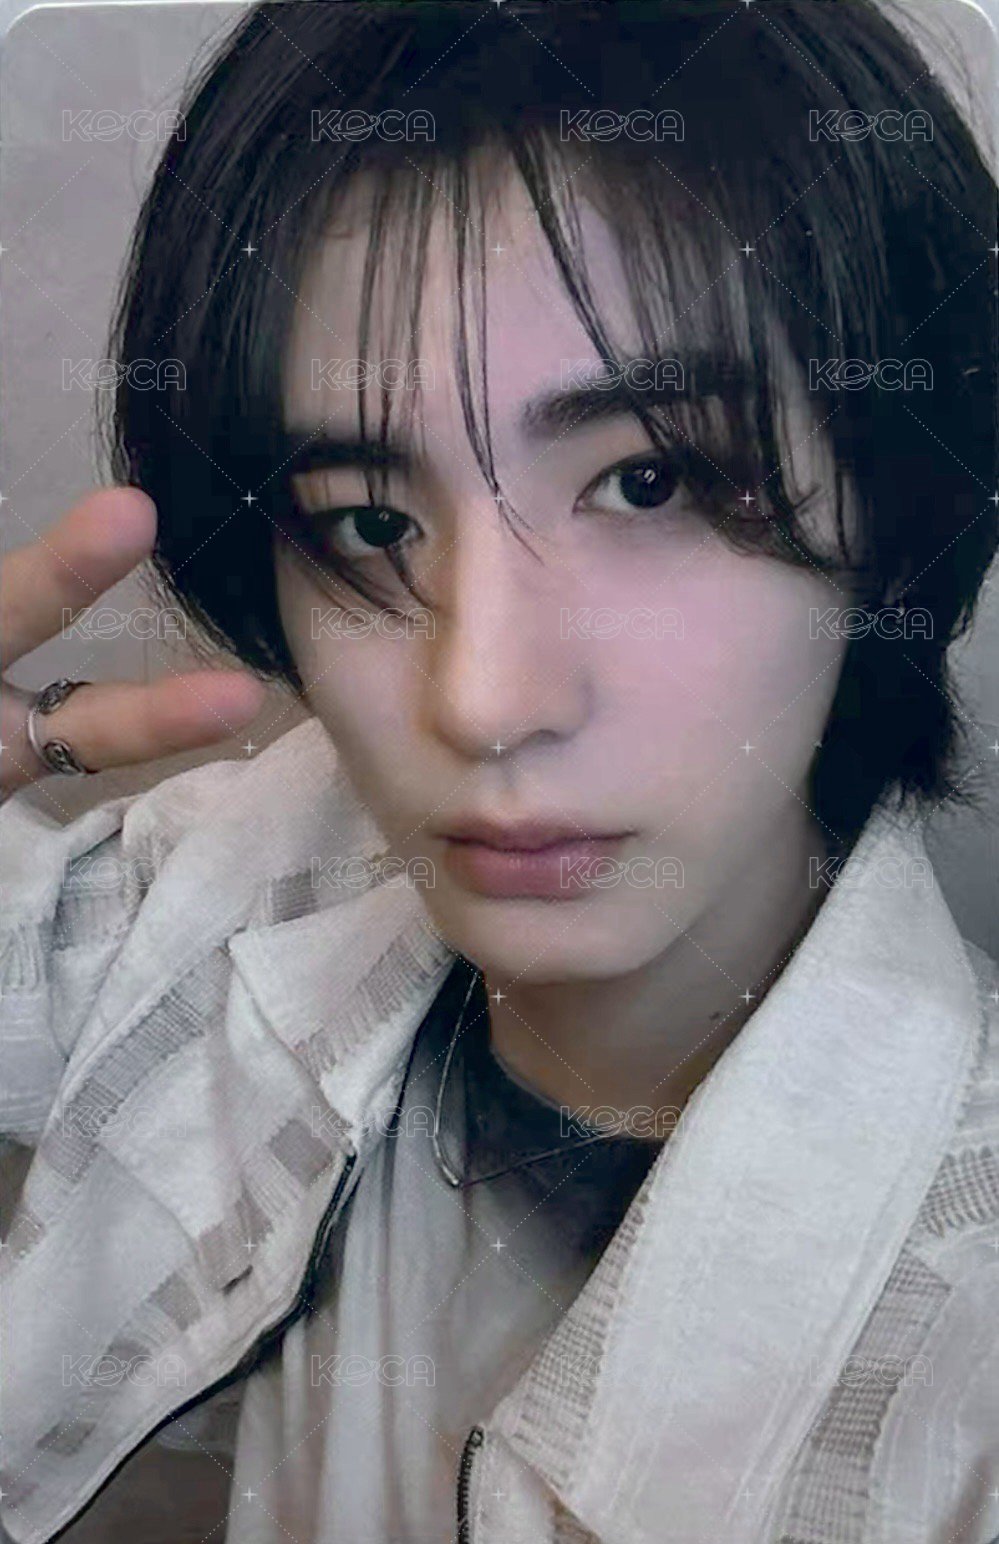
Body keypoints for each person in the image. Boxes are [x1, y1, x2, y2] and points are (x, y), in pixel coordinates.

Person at [1, 2, 998, 1541]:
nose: (482, 700)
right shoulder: (239, 869)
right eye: (370, 523)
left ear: (888, 507)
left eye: (648, 481)